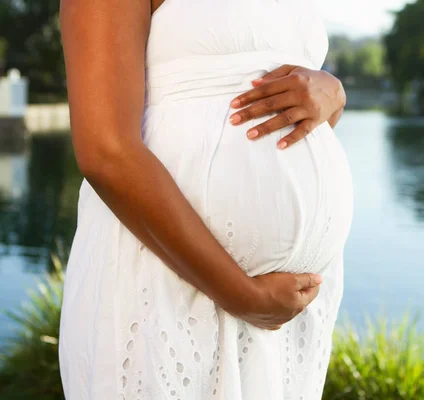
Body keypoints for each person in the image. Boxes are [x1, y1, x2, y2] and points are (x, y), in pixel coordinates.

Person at [58, 0, 354, 398]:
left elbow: (285, 112)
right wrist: (243, 295)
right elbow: (105, 150)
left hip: (286, 318)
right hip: (166, 283)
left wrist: (332, 93)